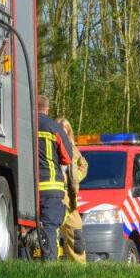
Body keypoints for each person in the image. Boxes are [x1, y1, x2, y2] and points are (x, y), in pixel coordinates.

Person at [37, 95, 72, 262]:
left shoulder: (23, 124)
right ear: (47, 109)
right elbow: (67, 157)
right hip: (50, 186)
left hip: (27, 186)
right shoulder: (54, 127)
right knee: (50, 227)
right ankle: (49, 264)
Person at [57, 118, 88, 264]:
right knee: (52, 234)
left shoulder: (73, 149)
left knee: (76, 235)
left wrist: (76, 178)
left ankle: (80, 269)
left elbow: (84, 165)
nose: (63, 131)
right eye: (60, 128)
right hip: (56, 196)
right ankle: (51, 266)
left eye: (66, 129)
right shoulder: (51, 147)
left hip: (71, 200)